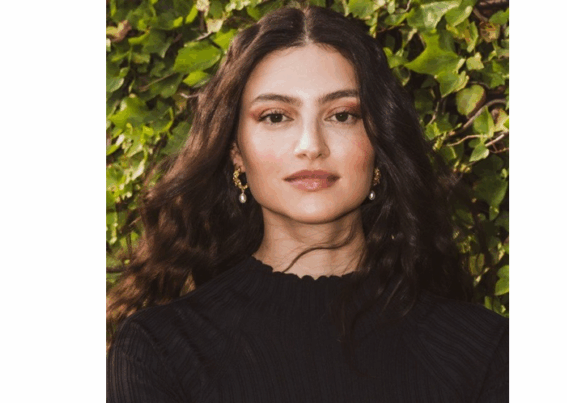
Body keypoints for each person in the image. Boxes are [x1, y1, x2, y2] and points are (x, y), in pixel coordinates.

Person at [107, 5, 508, 402]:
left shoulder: (484, 349)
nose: (311, 146)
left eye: (342, 115)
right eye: (276, 116)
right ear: (235, 150)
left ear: (380, 143)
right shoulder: (158, 351)